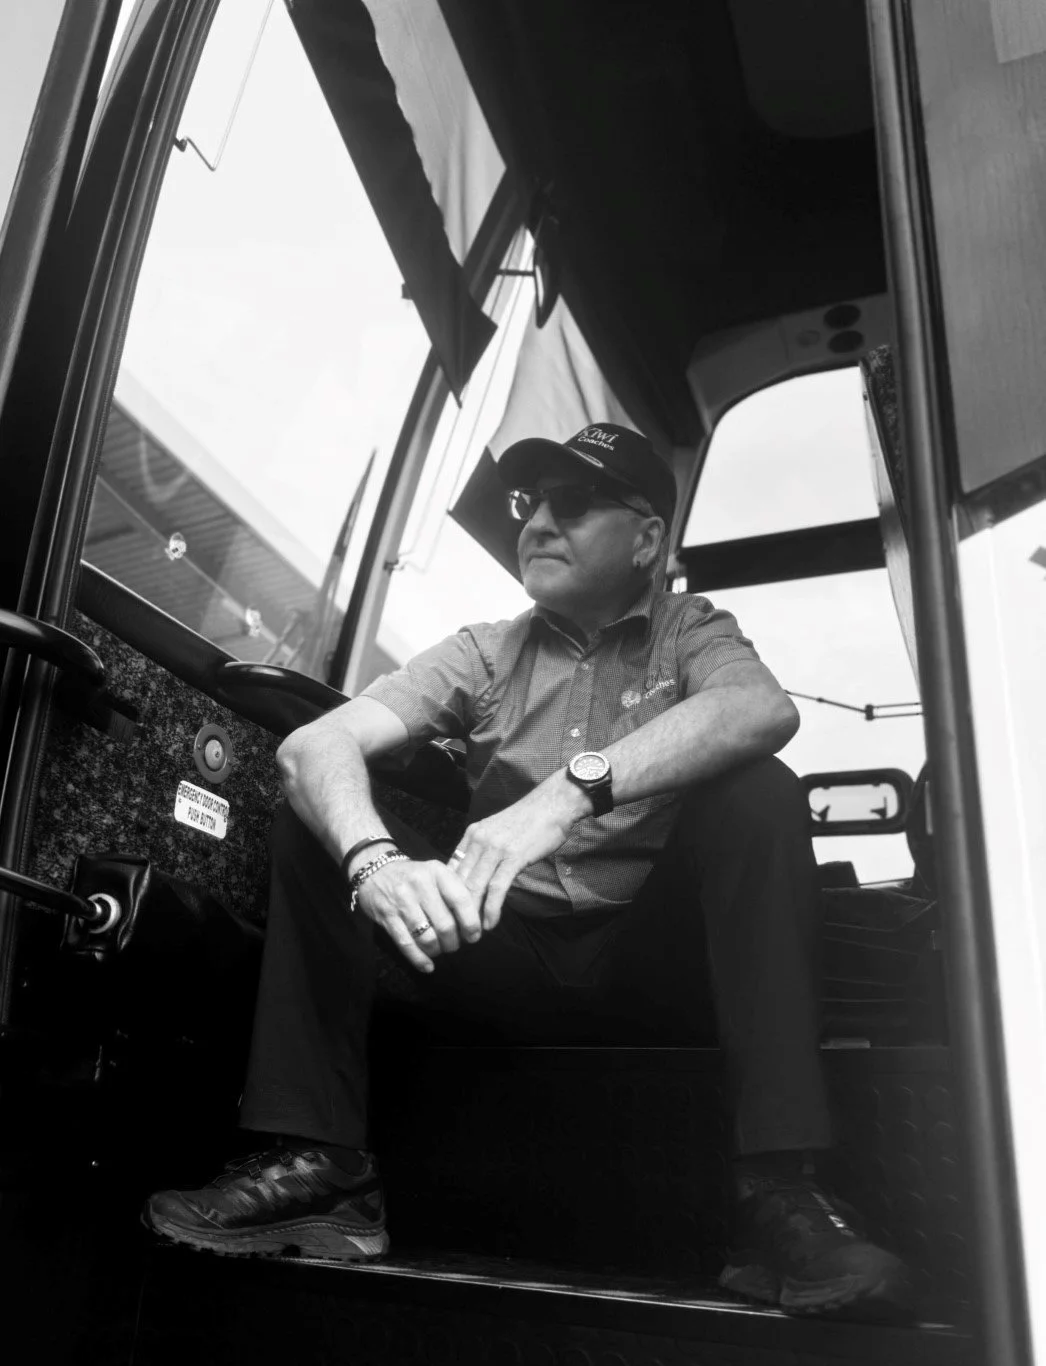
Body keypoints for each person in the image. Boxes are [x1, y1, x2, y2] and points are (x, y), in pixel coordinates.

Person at [145, 422, 912, 1320]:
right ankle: (324, 1171)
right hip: (501, 953)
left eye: (574, 503)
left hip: (653, 962)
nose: (538, 522)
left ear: (647, 539)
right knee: (321, 812)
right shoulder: (485, 651)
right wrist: (377, 863)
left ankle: (778, 1194)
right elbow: (316, 745)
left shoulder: (691, 631)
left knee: (760, 792)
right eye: (531, 502)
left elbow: (760, 707)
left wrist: (567, 794)